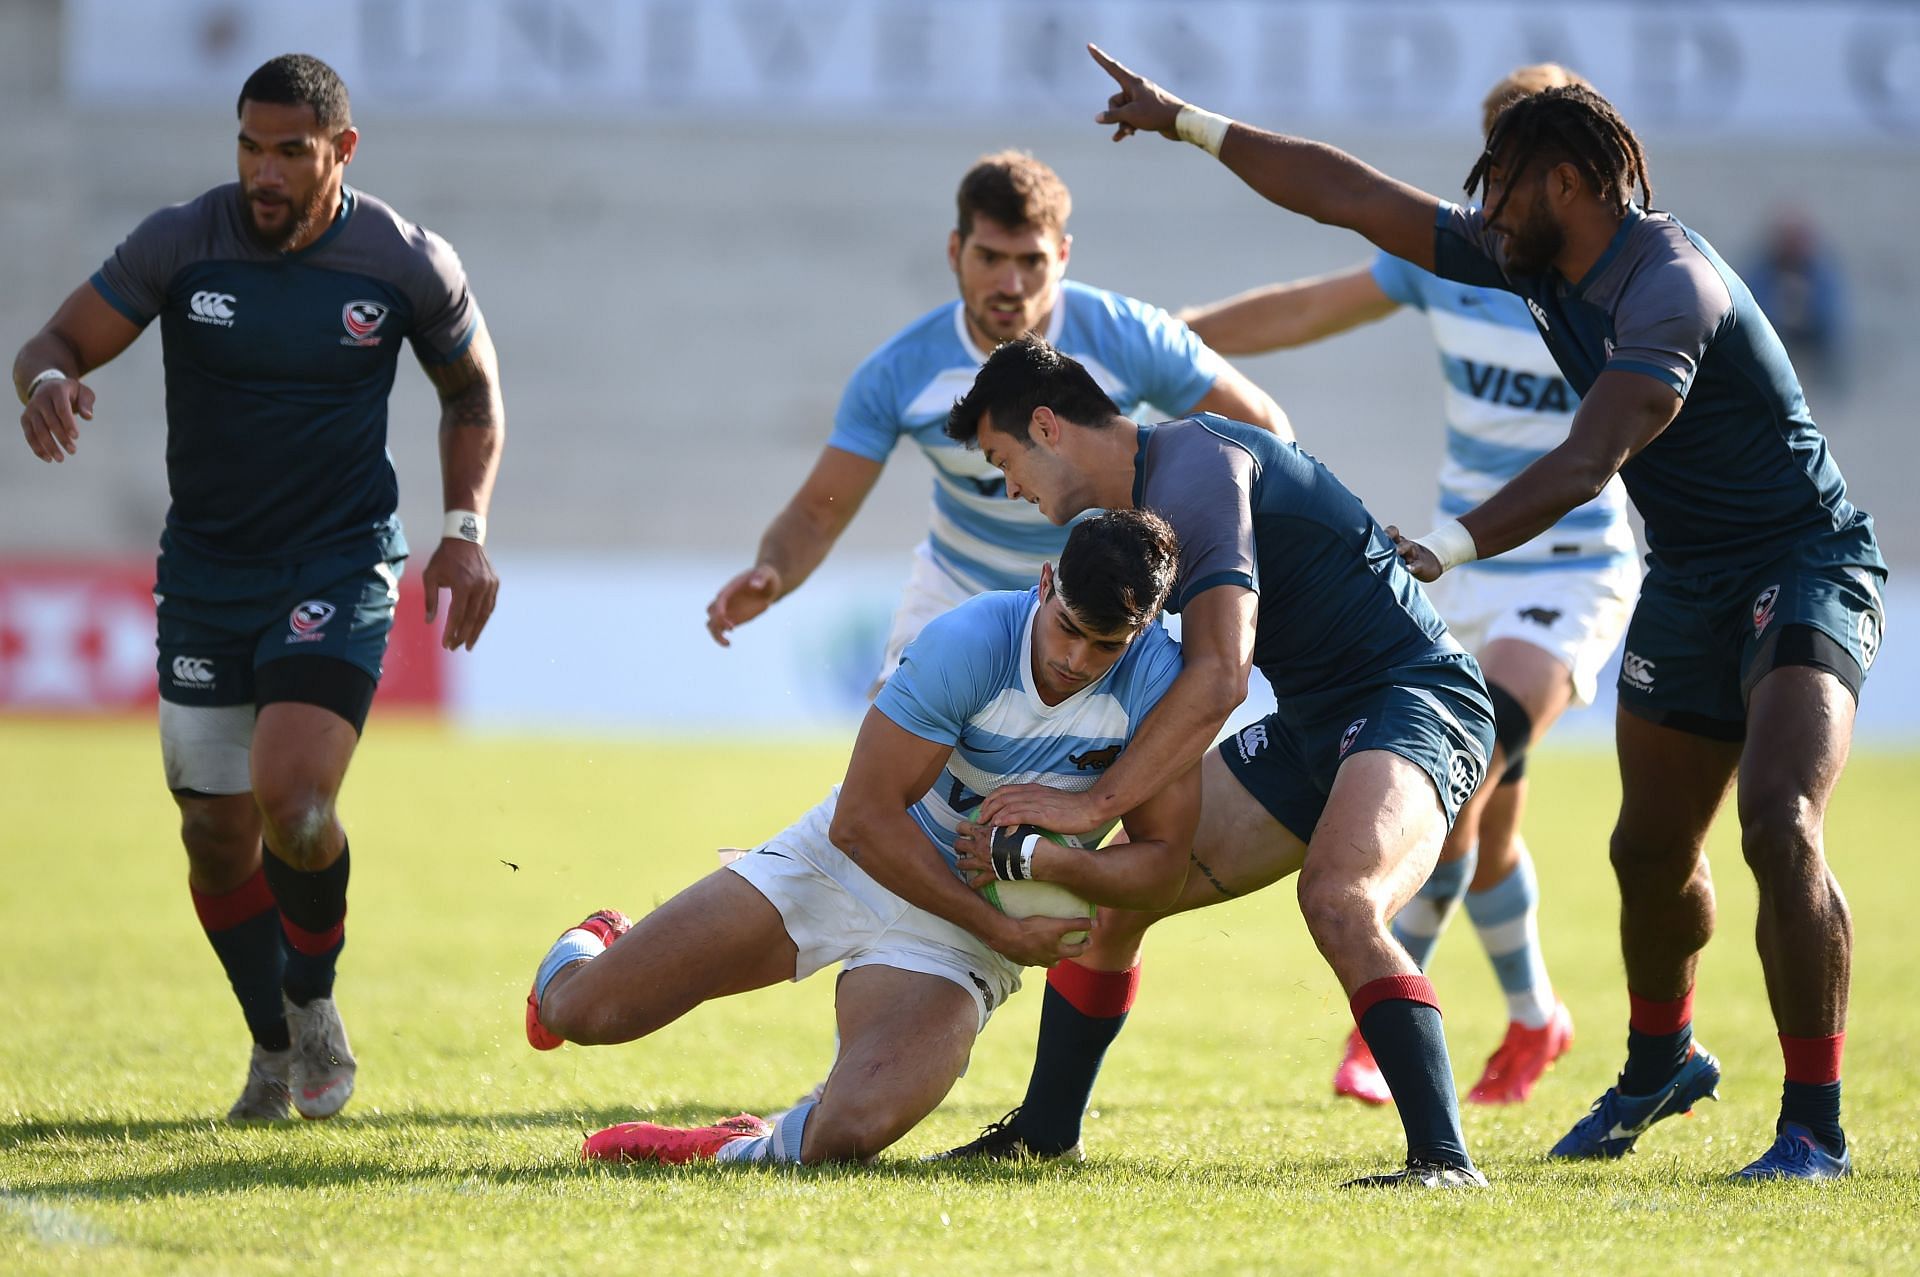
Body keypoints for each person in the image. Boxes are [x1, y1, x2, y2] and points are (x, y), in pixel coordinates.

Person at [1082, 43, 1883, 1181]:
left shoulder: (1670, 284)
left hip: (1802, 560)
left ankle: (1814, 1124)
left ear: (1563, 181)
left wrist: (1445, 545)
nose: (1480, 207)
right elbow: (1353, 195)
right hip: (1691, 576)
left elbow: (1588, 457)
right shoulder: (1538, 261)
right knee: (1648, 847)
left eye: (1498, 182)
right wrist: (1185, 123)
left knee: (1777, 819)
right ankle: (1661, 1062)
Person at [11, 54, 504, 1122]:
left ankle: (313, 1000)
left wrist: (463, 530)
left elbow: (470, 388)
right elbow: (54, 340)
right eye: (249, 145)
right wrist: (50, 381)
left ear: (344, 152)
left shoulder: (403, 260)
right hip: (206, 572)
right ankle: (273, 1044)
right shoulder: (182, 242)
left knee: (298, 800)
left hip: (338, 559)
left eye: (290, 150)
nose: (263, 173)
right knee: (214, 833)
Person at [1176, 64, 1636, 1107]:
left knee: (1455, 781)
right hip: (1454, 564)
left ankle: (1380, 1014)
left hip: (1571, 570)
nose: (1498, 194)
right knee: (1490, 823)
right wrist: (1165, 333)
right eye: (1490, 162)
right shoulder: (1452, 259)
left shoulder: (1618, 275)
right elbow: (1304, 308)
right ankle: (1535, 1018)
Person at [936, 335, 1498, 1188]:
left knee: (1340, 897)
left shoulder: (1194, 464)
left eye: (1002, 458)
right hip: (1319, 720)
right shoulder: (1155, 497)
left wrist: (1086, 809)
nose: (1007, 484)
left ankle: (1445, 1162)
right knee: (1121, 885)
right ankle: (1046, 1133)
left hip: (1416, 700)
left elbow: (1221, 675)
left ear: (1047, 425)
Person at [523, 511, 1197, 1166]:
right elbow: (861, 822)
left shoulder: (1164, 687)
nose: (1077, 659)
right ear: (1046, 583)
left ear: (1142, 630)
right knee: (585, 1011)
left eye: (1107, 644)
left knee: (849, 1129)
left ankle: (730, 1145)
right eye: (1069, 629)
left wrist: (1040, 864)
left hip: (958, 941)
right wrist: (1006, 934)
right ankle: (598, 941)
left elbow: (1162, 867)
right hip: (848, 865)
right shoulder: (972, 641)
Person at [703, 150, 1284, 682]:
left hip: (1104, 596)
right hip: (959, 585)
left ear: (1061, 256)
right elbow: (816, 512)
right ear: (955, 252)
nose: (1010, 285)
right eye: (989, 258)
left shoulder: (1132, 336)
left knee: (1145, 781)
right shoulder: (901, 371)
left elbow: (1262, 433)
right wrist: (773, 572)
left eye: (1030, 260)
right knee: (890, 771)